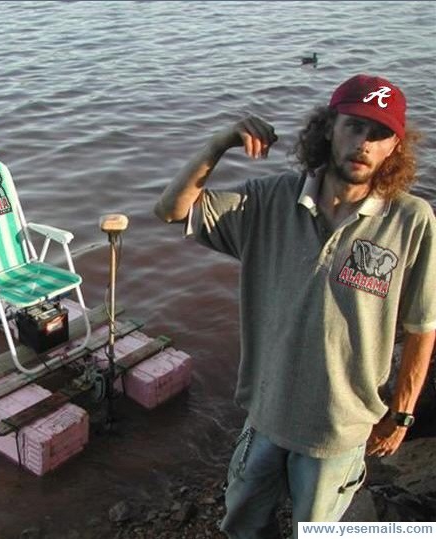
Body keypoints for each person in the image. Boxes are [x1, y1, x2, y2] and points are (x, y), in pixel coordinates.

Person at [154, 74, 436, 536]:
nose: (365, 143)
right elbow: (172, 210)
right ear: (328, 128)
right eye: (355, 126)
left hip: (340, 430)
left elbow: (423, 324)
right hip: (266, 413)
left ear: (395, 148)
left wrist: (401, 414)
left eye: (380, 134)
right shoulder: (269, 200)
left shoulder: (411, 220)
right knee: (243, 522)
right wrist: (219, 143)